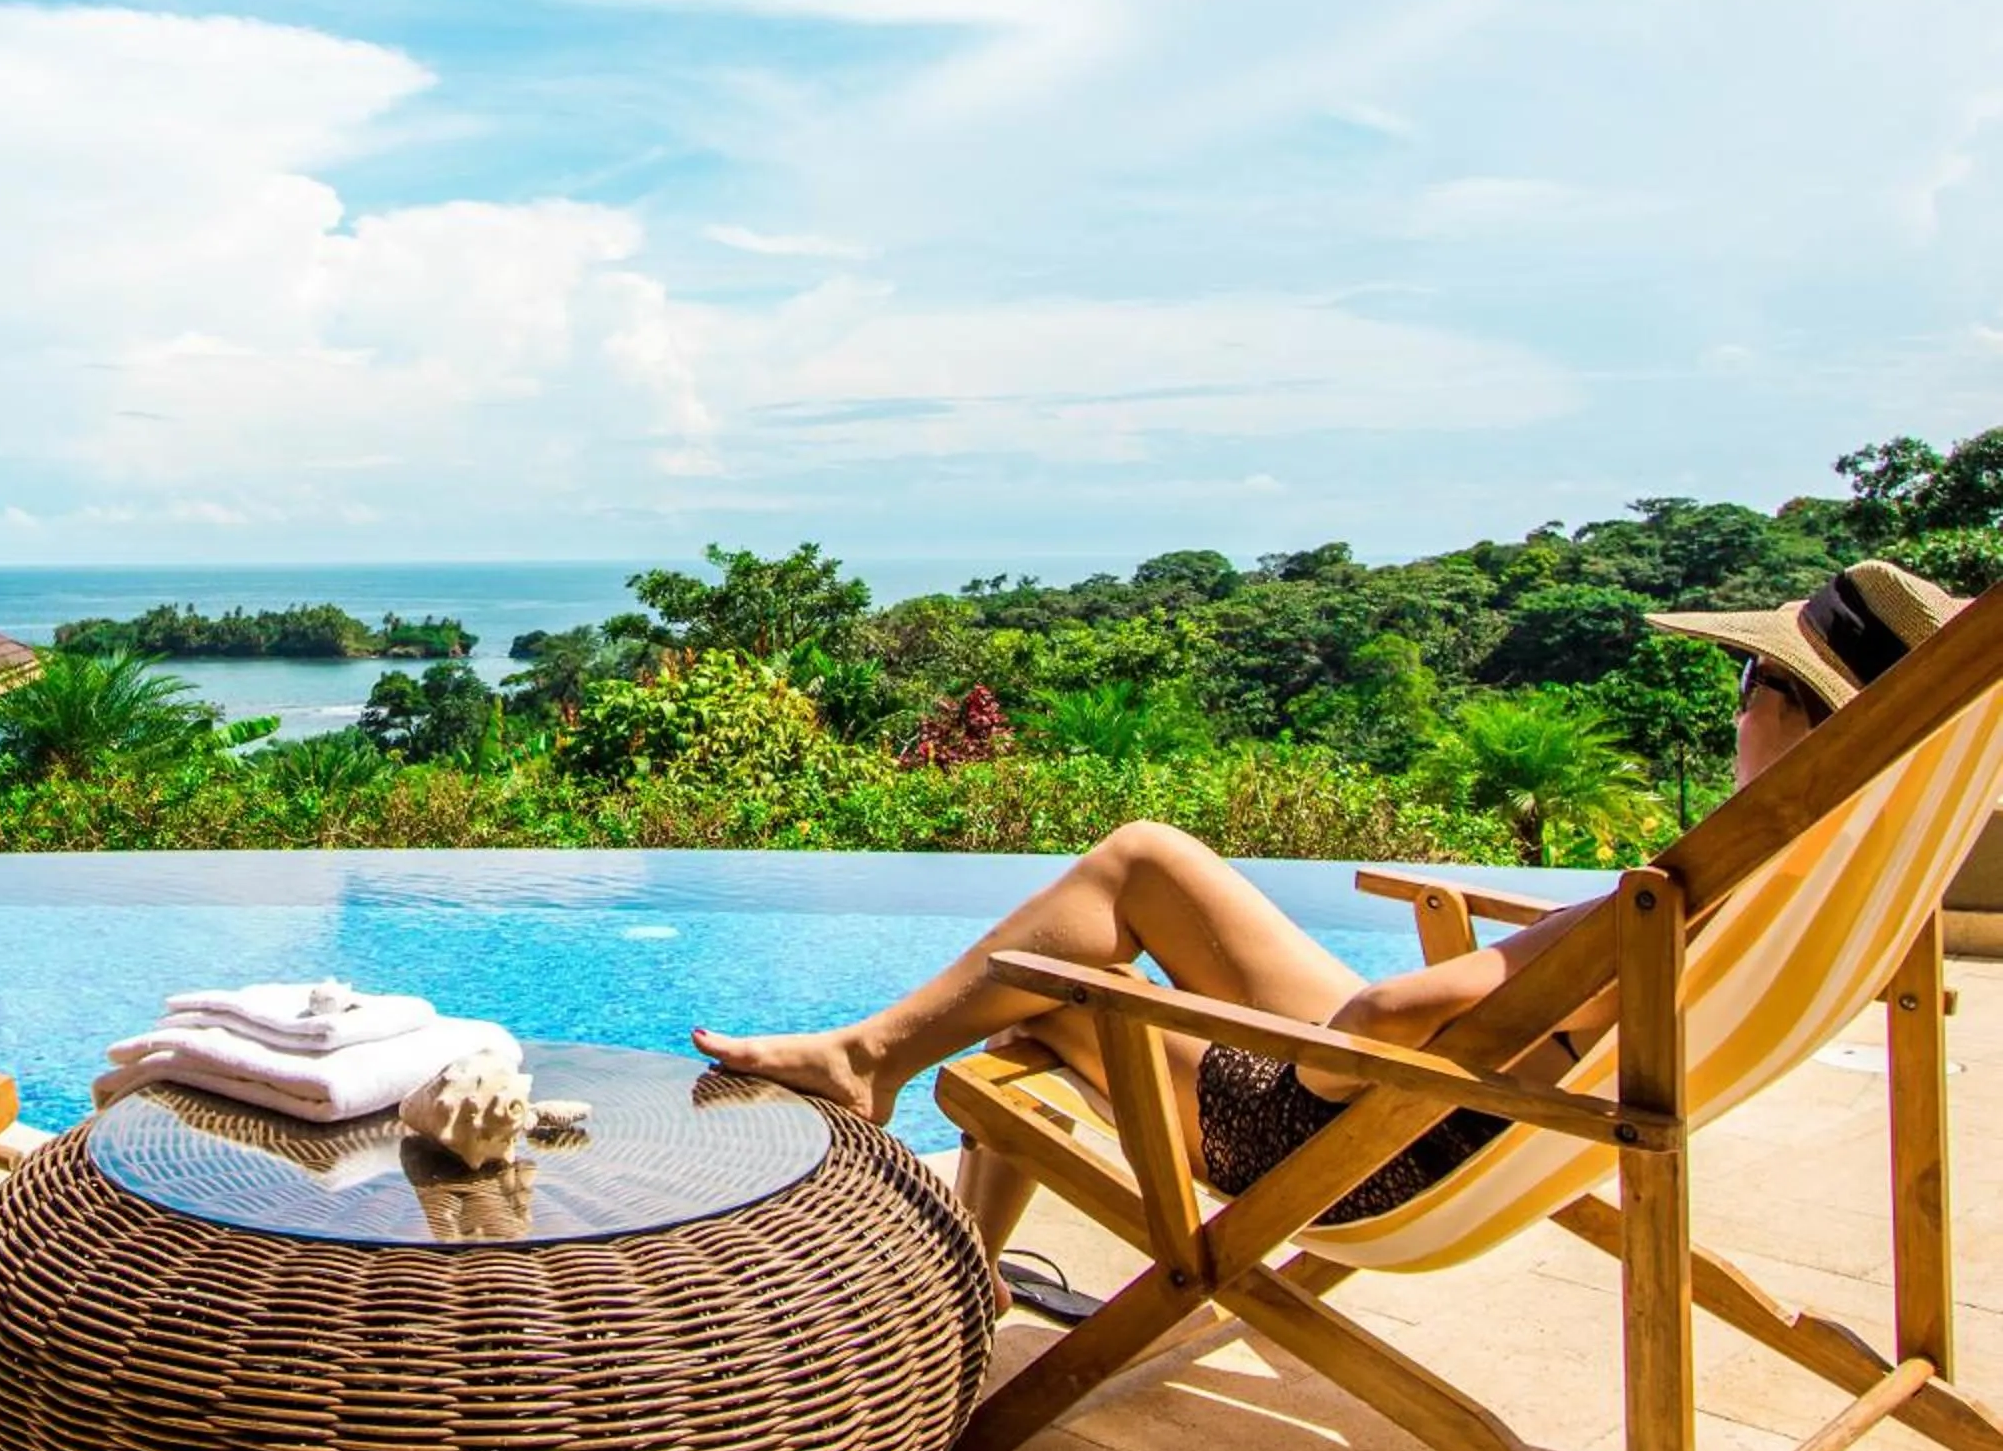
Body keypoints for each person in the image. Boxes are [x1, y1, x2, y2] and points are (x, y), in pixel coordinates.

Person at [695, 560, 1963, 1226]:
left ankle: (891, 1097)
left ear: (1792, 715)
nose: (1735, 701)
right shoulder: (1807, 881)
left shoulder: (1688, 890)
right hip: (1472, 1103)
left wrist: (1335, 1044)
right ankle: (876, 1063)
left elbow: (1385, 1028)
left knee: (1049, 1007)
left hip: (1355, 1140)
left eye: (1750, 682)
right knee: (1143, 857)